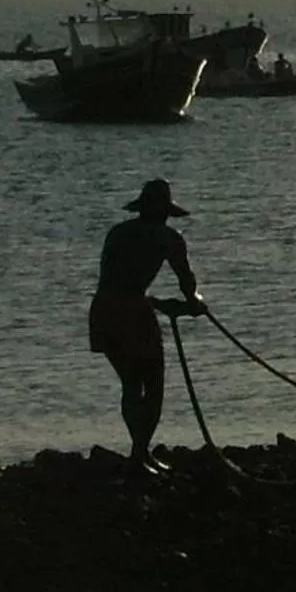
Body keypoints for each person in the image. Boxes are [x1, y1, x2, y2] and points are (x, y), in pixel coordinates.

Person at [88, 178, 202, 473]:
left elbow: (115, 279)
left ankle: (139, 453)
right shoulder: (169, 239)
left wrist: (154, 301)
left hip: (104, 309)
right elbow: (188, 285)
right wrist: (193, 303)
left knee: (130, 382)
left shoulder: (117, 233)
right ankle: (139, 454)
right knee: (152, 384)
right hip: (132, 313)